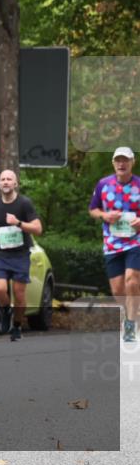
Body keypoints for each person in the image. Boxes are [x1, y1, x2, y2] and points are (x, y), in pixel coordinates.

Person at [88, 146, 140, 343]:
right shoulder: (103, 185)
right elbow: (93, 209)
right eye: (118, 160)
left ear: (132, 163)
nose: (121, 163)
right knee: (118, 290)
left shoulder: (139, 185)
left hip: (136, 241)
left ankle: (130, 324)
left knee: (132, 281)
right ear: (113, 163)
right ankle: (132, 313)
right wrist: (104, 215)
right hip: (111, 243)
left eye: (125, 160)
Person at [0, 169, 43, 341]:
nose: (5, 182)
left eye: (9, 179)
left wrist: (18, 223)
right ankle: (5, 309)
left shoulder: (24, 203)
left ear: (15, 183)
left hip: (20, 254)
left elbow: (38, 229)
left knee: (19, 295)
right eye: (2, 179)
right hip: (1, 254)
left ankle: (17, 325)